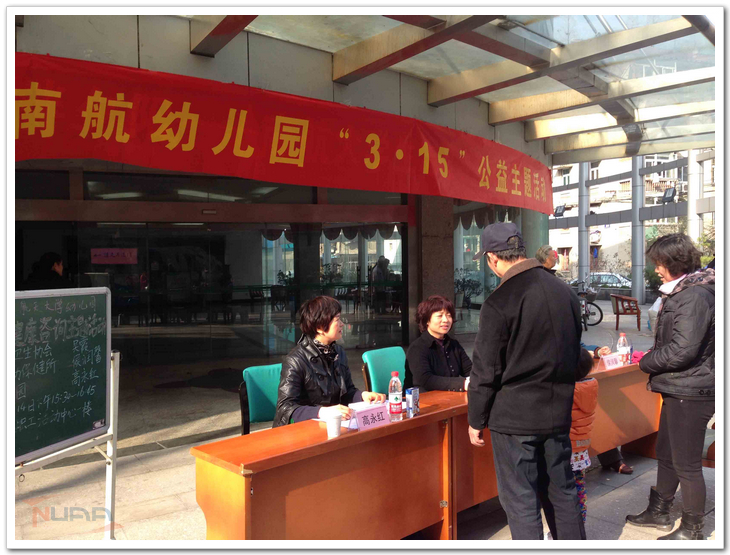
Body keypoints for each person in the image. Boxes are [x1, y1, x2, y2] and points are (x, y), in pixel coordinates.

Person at [467, 222, 586, 540]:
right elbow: (576, 353)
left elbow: (485, 370)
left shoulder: (500, 300)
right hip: (557, 410)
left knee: (520, 500)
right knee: (562, 492)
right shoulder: (564, 291)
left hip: (514, 418)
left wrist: (476, 418)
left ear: (492, 258)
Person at [626, 233, 715, 540]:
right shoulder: (683, 292)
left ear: (675, 263)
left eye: (660, 263)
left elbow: (682, 350)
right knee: (667, 452)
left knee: (686, 463)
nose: (656, 270)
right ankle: (659, 511)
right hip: (679, 387)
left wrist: (646, 362)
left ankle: (692, 529)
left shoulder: (694, 296)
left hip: (691, 389)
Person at [273, 296, 385, 426]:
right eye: (337, 319)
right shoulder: (296, 360)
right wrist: (322, 412)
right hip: (303, 429)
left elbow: (347, 392)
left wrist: (363, 396)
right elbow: (285, 407)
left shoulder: (338, 352)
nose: (342, 324)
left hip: (332, 426)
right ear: (320, 327)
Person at [404, 295, 472, 393]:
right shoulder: (417, 348)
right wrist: (463, 384)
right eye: (440, 316)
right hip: (421, 399)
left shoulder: (454, 344)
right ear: (427, 320)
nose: (445, 320)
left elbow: (469, 370)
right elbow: (426, 380)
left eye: (449, 315)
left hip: (450, 397)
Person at [569, 349, 599, 529]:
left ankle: (565, 529)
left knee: (562, 491)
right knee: (579, 488)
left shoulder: (566, 391)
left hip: (565, 448)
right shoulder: (591, 386)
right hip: (581, 449)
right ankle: (580, 525)